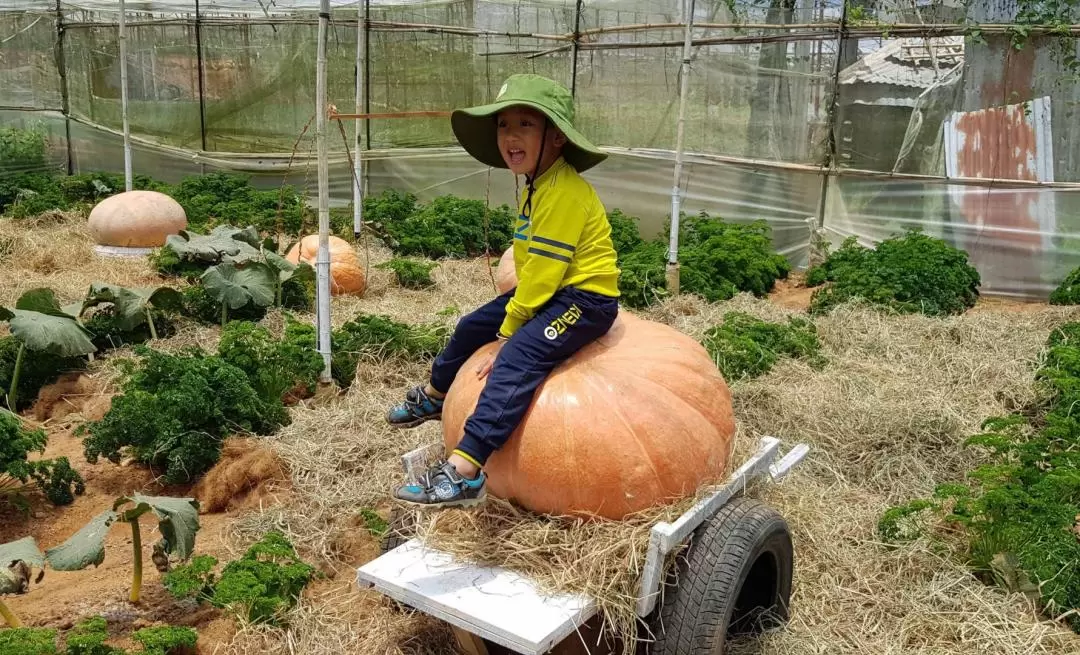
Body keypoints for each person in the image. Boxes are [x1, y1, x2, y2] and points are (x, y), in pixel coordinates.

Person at [386, 73, 621, 508]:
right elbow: (533, 268)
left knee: (515, 358)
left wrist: (510, 332)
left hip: (585, 302)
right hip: (550, 293)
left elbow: (545, 275)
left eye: (525, 125)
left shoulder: (565, 191)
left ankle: (465, 471)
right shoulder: (538, 183)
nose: (510, 135)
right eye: (503, 125)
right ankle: (436, 396)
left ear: (556, 138)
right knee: (472, 324)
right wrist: (504, 317)